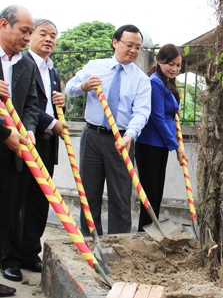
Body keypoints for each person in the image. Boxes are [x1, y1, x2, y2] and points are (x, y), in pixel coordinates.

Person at [65, 24, 151, 236]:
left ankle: (118, 243)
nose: (133, 50)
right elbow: (70, 88)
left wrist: (129, 136)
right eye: (129, 45)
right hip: (92, 136)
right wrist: (83, 86)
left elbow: (141, 113)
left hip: (121, 140)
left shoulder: (141, 80)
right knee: (89, 193)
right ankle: (91, 241)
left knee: (121, 196)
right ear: (115, 42)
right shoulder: (95, 66)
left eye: (138, 47)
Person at [1, 19, 67, 282]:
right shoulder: (20, 61)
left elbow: (30, 104)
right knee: (14, 202)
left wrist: (34, 125)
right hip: (13, 139)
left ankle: (30, 253)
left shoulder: (50, 71)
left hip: (38, 141)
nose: (46, 39)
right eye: (38, 33)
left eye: (53, 35)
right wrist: (48, 122)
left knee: (38, 202)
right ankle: (11, 258)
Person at [0, 5, 39, 297]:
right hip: (3, 138)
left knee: (6, 212)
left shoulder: (26, 65)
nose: (28, 38)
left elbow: (31, 105)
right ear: (4, 25)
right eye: (23, 31)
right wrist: (4, 133)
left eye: (30, 32)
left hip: (14, 152)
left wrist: (27, 129)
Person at [135, 44, 187, 232]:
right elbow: (157, 117)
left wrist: (174, 108)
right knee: (149, 194)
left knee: (157, 192)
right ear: (159, 61)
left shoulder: (166, 83)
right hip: (149, 145)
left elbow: (168, 111)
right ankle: (144, 231)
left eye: (178, 65)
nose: (174, 68)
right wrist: (176, 146)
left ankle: (151, 229)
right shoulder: (155, 82)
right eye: (170, 64)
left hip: (161, 145)